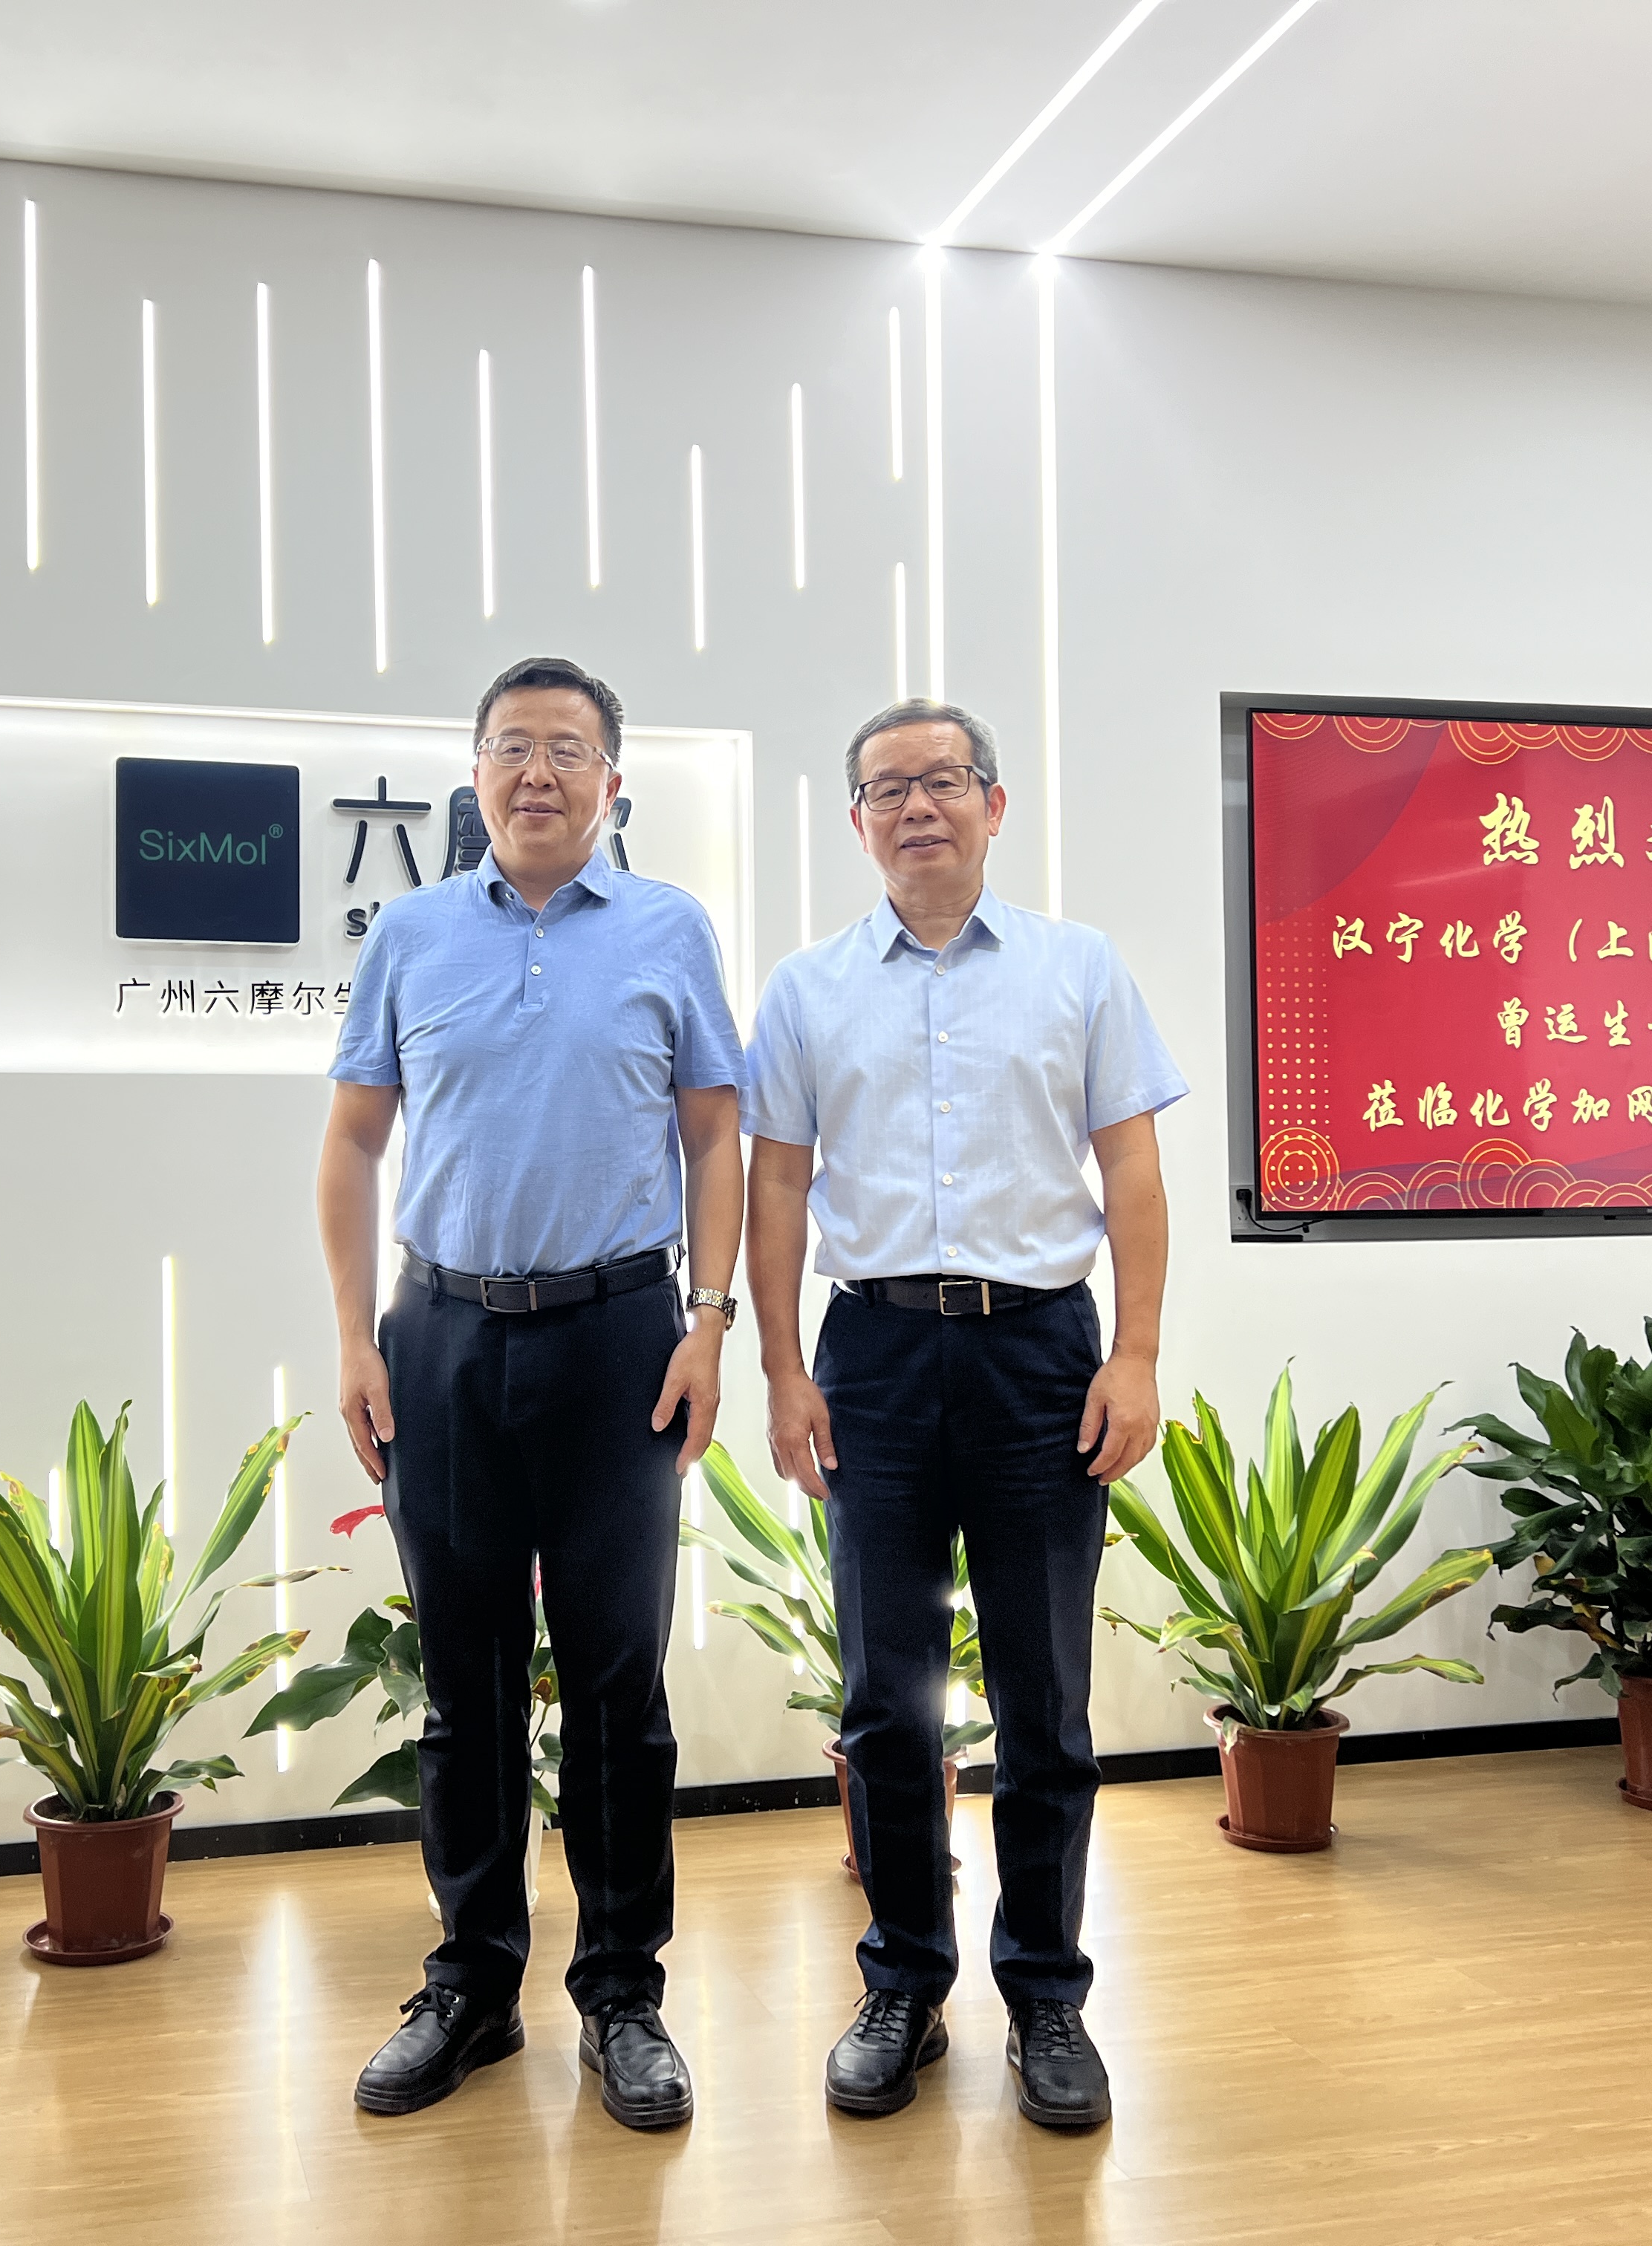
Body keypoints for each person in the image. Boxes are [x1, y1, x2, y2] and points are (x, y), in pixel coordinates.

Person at [741, 697, 1183, 2132]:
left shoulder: (1078, 968)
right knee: (887, 1697)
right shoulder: (808, 990)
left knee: (1045, 1697)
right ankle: (903, 1985)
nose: (917, 807)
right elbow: (778, 1187)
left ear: (997, 804)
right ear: (856, 820)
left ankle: (1047, 1994)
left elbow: (1132, 1175)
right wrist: (783, 1372)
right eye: (889, 789)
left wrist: (1137, 1355)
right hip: (871, 1357)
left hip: (1038, 1356)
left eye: (944, 781)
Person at [317, 654, 745, 2132]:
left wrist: (710, 1323)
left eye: (568, 748)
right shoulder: (412, 934)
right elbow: (354, 1144)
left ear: (613, 781)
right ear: (476, 774)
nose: (539, 772)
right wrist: (356, 1338)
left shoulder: (670, 929)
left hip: (621, 1337)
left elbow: (713, 1139)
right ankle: (474, 1983)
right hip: (441, 1340)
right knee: (468, 1683)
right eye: (512, 747)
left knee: (619, 1686)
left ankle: (622, 1993)